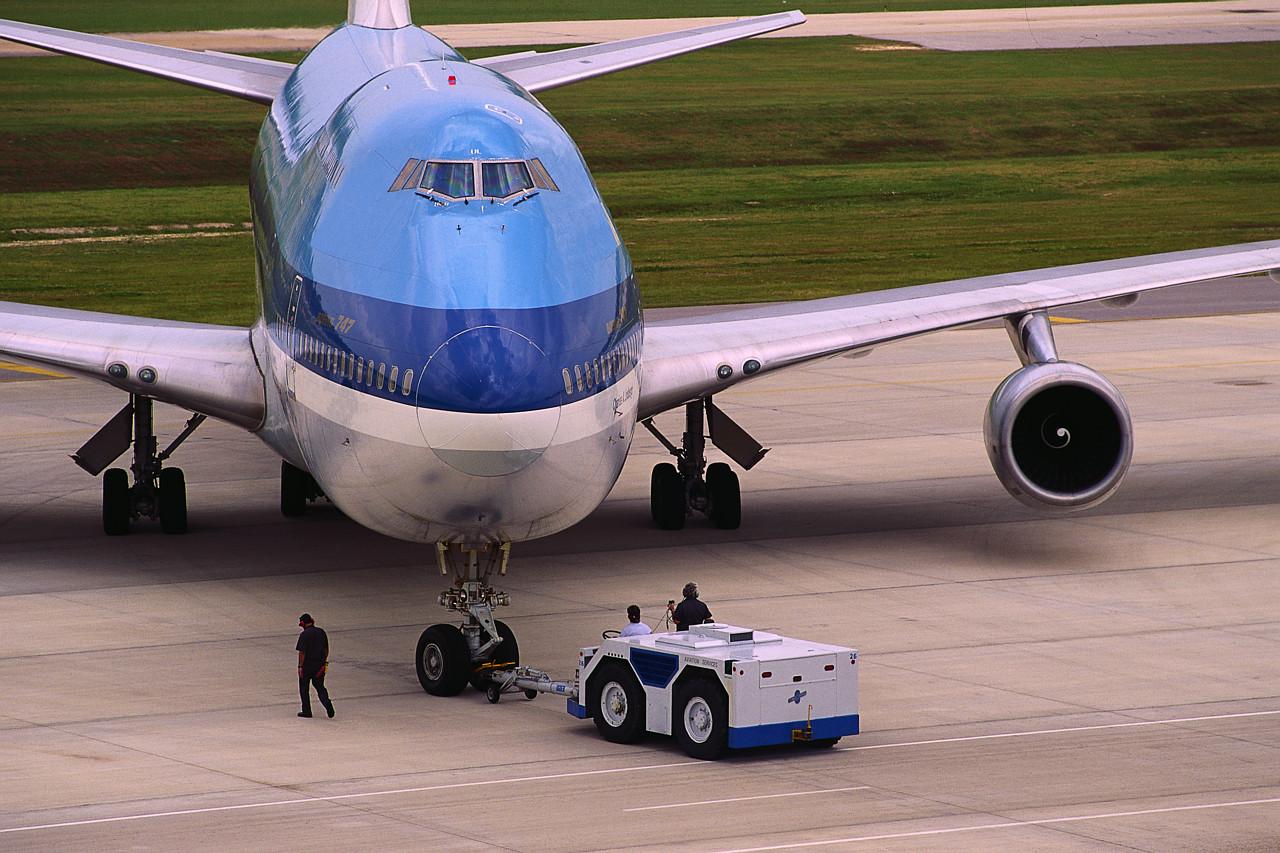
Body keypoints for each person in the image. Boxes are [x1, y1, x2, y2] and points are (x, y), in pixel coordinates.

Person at [296, 613, 334, 718]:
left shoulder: (304, 635)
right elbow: (326, 649)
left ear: (302, 623)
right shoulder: (321, 632)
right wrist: (323, 662)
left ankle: (307, 711)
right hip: (319, 666)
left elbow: (302, 652)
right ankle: (327, 704)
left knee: (304, 689)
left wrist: (300, 667)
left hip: (307, 666)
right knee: (320, 687)